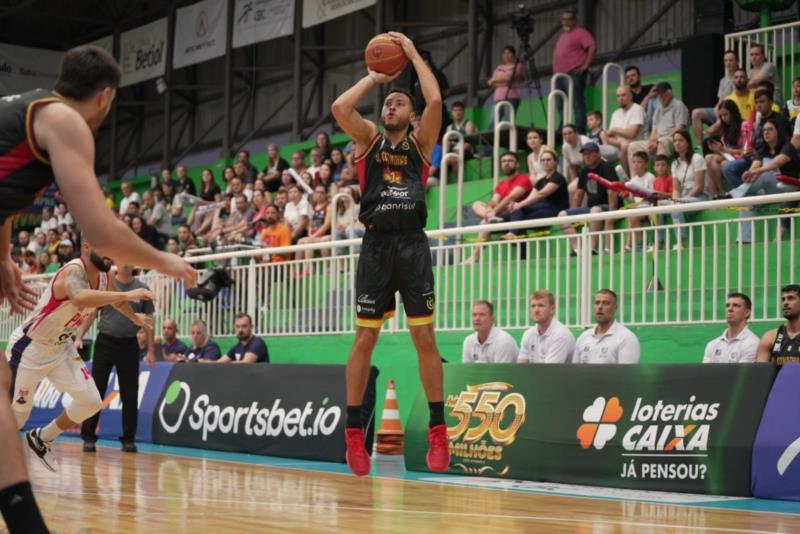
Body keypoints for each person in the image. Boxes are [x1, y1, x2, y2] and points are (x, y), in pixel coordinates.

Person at [0, 46, 193, 533]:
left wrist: (3, 255)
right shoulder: (66, 121)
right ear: (105, 97)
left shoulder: (29, 111)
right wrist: (166, 259)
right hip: (36, 346)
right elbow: (104, 232)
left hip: (61, 351)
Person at [330, 31, 449, 476]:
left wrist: (413, 55)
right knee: (364, 339)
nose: (390, 107)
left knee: (424, 339)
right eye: (387, 104)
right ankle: (353, 435)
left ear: (412, 116)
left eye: (398, 103)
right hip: (377, 245)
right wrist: (373, 78)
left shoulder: (421, 144)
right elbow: (340, 109)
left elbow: (434, 100)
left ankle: (439, 430)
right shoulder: (369, 141)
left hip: (413, 246)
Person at [8, 237, 153, 470]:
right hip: (30, 348)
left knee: (91, 401)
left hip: (60, 349)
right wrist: (126, 295)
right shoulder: (73, 272)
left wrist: (135, 317)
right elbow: (79, 297)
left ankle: (42, 438)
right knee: (17, 417)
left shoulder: (104, 277)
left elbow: (115, 302)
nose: (109, 254)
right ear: (87, 246)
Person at [79, 264, 155, 453]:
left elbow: (149, 322)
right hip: (105, 343)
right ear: (117, 263)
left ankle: (128, 439)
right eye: (122, 259)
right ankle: (88, 437)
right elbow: (92, 313)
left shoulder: (143, 289)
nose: (126, 263)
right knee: (96, 391)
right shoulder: (107, 286)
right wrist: (79, 335)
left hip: (129, 345)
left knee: (130, 394)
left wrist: (151, 350)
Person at [731, 116, 800, 242]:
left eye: (770, 129)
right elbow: (755, 165)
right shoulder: (763, 150)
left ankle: (731, 195)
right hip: (770, 189)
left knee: (766, 175)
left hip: (788, 187)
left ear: (778, 131)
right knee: (747, 200)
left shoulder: (788, 147)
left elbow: (776, 163)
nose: (766, 132)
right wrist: (749, 173)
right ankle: (744, 240)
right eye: (764, 130)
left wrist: (756, 172)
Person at [466, 151, 531, 263]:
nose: (506, 163)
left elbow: (510, 198)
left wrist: (494, 211)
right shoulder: (501, 184)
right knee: (476, 204)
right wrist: (490, 209)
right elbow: (494, 200)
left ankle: (475, 256)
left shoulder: (523, 179)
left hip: (516, 215)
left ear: (517, 164)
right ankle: (491, 219)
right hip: (500, 216)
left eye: (510, 161)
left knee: (484, 223)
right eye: (504, 161)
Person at [558, 142, 619, 254]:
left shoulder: (607, 167)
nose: (587, 156)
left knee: (594, 210)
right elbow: (579, 194)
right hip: (592, 208)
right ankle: (578, 248)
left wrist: (612, 214)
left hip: (607, 206)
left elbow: (612, 193)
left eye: (590, 153)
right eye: (585, 154)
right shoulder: (584, 171)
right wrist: (573, 216)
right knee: (562, 215)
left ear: (598, 154)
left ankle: (592, 248)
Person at [509, 148, 569, 236]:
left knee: (520, 216)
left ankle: (514, 234)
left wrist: (520, 204)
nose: (546, 162)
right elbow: (531, 198)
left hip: (555, 210)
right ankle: (513, 234)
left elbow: (541, 194)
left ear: (556, 162)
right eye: (543, 160)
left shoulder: (558, 177)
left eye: (548, 160)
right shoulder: (540, 181)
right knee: (518, 210)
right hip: (542, 208)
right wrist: (517, 205)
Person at [553, 8, 596, 132]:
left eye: (568, 19)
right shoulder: (562, 36)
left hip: (573, 73)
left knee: (576, 103)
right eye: (563, 19)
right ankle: (563, 128)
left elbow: (592, 46)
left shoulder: (580, 32)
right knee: (560, 105)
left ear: (574, 20)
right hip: (559, 76)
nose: (565, 22)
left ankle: (580, 130)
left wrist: (586, 65)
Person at [627, 82, 689, 164]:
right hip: (658, 141)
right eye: (659, 94)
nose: (660, 97)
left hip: (672, 140)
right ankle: (635, 176)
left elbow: (680, 128)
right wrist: (651, 142)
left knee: (662, 142)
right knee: (632, 146)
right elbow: (654, 131)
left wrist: (657, 141)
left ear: (670, 93)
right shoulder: (658, 109)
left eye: (663, 93)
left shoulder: (678, 105)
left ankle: (662, 175)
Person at [573, 289, 640, 364]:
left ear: (615, 308)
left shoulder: (626, 338)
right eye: (597, 303)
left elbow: (627, 373)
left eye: (605, 303)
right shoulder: (583, 337)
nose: (600, 307)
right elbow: (575, 371)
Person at [670, 130, 709, 249]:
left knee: (676, 207)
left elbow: (699, 186)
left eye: (680, 140)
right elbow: (676, 189)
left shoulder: (697, 158)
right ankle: (659, 242)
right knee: (661, 207)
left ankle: (681, 242)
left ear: (688, 142)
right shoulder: (674, 164)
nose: (677, 143)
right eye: (675, 141)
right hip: (683, 197)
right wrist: (676, 199)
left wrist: (681, 201)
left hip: (699, 196)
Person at [692, 50, 738, 145]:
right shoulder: (723, 80)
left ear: (737, 61)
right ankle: (699, 145)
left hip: (731, 110)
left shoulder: (739, 78)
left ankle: (718, 135)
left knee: (713, 129)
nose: (728, 63)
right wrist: (716, 108)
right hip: (721, 109)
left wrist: (720, 115)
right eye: (726, 60)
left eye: (731, 60)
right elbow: (720, 99)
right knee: (696, 113)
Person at [517, 290, 575, 364]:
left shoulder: (561, 335)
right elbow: (521, 367)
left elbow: (549, 372)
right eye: (533, 306)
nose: (536, 310)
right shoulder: (528, 334)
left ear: (552, 309)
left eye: (541, 305)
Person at [602, 86, 647, 174]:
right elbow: (608, 138)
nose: (620, 98)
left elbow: (631, 134)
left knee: (626, 146)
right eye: (618, 96)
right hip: (618, 147)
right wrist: (620, 142)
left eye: (623, 95)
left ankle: (627, 179)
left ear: (630, 96)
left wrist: (615, 130)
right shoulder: (615, 113)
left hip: (637, 145)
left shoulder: (637, 109)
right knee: (592, 151)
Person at [703, 293, 759, 363]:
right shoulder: (712, 345)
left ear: (747, 312)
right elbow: (706, 372)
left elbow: (740, 373)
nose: (730, 309)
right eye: (727, 306)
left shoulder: (752, 343)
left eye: (736, 306)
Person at [704, 100, 744, 198]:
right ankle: (718, 193)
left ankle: (722, 193)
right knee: (708, 158)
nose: (723, 118)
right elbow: (707, 132)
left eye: (725, 115)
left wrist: (724, 150)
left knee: (722, 164)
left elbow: (745, 151)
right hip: (729, 156)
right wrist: (717, 149)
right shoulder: (725, 128)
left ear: (733, 113)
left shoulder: (743, 126)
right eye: (721, 116)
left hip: (742, 160)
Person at [757, 284, 800, 365]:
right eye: (783, 299)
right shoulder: (770, 337)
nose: (785, 303)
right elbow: (760, 373)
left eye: (791, 298)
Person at [201, 313, 269, 364]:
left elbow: (246, 363)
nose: (240, 330)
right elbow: (219, 363)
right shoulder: (236, 347)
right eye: (237, 326)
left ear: (251, 327)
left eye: (244, 326)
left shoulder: (257, 343)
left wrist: (228, 365)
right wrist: (205, 362)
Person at [488, 45, 524, 123]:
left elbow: (509, 78)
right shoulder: (499, 67)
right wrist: (502, 82)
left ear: (514, 54)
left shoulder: (518, 66)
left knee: (508, 121)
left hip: (512, 97)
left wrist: (495, 80)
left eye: (508, 53)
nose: (506, 55)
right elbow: (491, 83)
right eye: (504, 53)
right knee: (492, 122)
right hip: (498, 98)